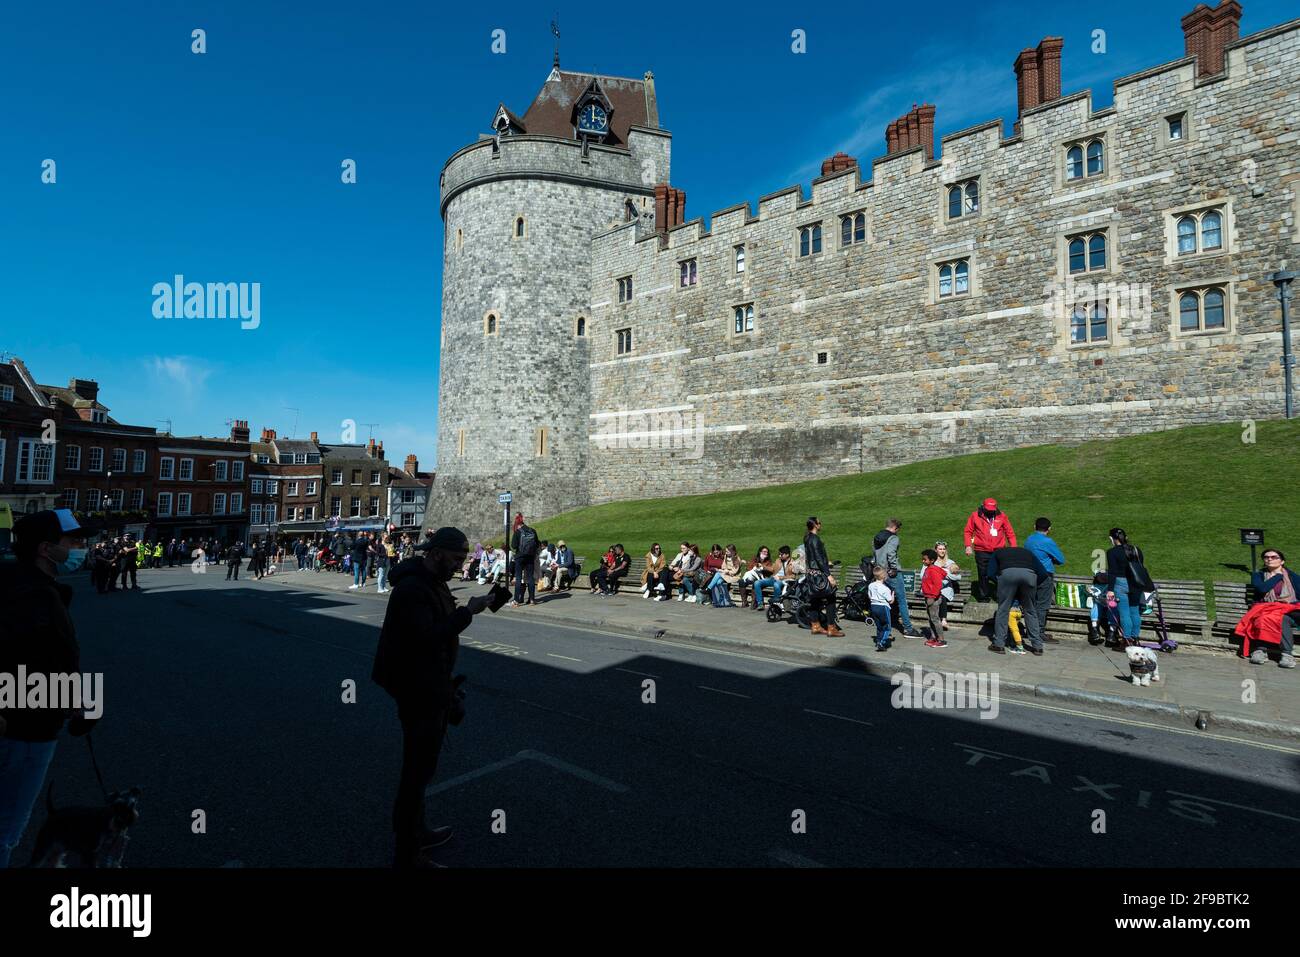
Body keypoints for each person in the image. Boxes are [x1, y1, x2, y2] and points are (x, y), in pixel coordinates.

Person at [372, 526, 494, 868]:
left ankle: (418, 831)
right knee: (415, 774)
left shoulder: (432, 581)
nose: (460, 565)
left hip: (429, 683)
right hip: (416, 689)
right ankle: (408, 854)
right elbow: (427, 638)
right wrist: (467, 612)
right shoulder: (412, 589)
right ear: (436, 553)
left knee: (422, 771)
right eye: (456, 558)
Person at [0, 509, 98, 869]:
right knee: (6, 829)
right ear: (46, 548)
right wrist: (85, 702)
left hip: (24, 721)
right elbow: (38, 665)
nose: (80, 547)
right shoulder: (33, 596)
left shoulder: (19, 584)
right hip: (26, 730)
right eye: (72, 542)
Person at [1241, 549, 1300, 668]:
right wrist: (1278, 576)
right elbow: (1262, 589)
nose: (1269, 559)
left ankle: (1287, 655)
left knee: (1282, 618)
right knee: (1264, 617)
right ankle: (1260, 650)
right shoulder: (1258, 575)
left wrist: (1288, 602)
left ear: (1282, 561)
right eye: (1266, 557)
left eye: (1274, 557)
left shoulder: (1293, 577)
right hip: (1265, 609)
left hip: (1289, 611)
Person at [986, 545, 1043, 655]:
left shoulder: (997, 552)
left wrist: (1000, 584)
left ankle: (999, 644)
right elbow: (1042, 573)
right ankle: (1037, 646)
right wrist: (1033, 585)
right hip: (1029, 576)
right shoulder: (1028, 552)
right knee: (1030, 611)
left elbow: (990, 573)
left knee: (1003, 610)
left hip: (1008, 575)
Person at [872, 518, 922, 638]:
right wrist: (893, 568)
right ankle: (908, 629)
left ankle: (885, 627)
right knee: (901, 600)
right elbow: (891, 554)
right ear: (895, 528)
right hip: (891, 572)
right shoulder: (893, 538)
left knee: (883, 599)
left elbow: (874, 553)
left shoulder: (876, 536)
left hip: (880, 572)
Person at [964, 498, 1016, 602]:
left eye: (992, 509)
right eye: (988, 509)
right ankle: (984, 596)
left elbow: (1009, 532)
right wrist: (968, 545)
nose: (990, 511)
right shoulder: (975, 516)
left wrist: (1013, 548)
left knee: (999, 573)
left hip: (999, 550)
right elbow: (968, 531)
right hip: (981, 550)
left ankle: (999, 594)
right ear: (983, 507)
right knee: (983, 574)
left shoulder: (1002, 516)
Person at [1104, 528, 1151, 644]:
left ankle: (1126, 640)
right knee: (1134, 611)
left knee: (1124, 613)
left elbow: (1112, 572)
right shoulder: (1136, 550)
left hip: (1121, 583)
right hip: (1136, 583)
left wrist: (1110, 590)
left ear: (1112, 538)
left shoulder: (1112, 552)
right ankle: (1135, 638)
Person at [1024, 517, 1065, 645]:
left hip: (1030, 574)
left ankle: (1031, 630)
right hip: (1045, 574)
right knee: (1042, 605)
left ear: (1034, 526)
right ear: (1049, 529)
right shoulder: (1048, 541)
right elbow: (1061, 559)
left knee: (1032, 603)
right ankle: (1039, 632)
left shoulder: (1029, 540)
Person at [803, 517, 844, 637]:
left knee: (815, 600)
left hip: (811, 574)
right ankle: (831, 627)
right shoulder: (815, 539)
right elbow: (819, 558)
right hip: (819, 575)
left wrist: (827, 562)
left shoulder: (807, 538)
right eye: (819, 522)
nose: (821, 524)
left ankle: (815, 625)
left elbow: (813, 557)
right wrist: (829, 575)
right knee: (831, 598)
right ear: (815, 525)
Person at [919, 549, 948, 647]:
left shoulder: (933, 570)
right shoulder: (929, 569)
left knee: (935, 619)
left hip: (933, 598)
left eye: (925, 559)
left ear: (931, 560)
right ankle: (934, 637)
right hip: (929, 597)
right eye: (922, 559)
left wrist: (932, 597)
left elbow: (938, 585)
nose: (923, 561)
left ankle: (941, 640)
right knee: (931, 618)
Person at [510, 515, 539, 606]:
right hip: (530, 557)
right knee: (530, 578)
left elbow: (514, 545)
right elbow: (537, 543)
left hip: (520, 557)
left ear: (518, 525)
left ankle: (516, 601)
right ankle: (532, 600)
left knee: (518, 578)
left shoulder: (518, 532)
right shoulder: (532, 531)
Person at [932, 541, 962, 631]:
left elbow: (958, 577)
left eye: (944, 549)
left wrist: (946, 573)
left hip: (946, 589)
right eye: (940, 549)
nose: (942, 551)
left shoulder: (950, 562)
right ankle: (938, 621)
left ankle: (944, 620)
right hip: (934, 587)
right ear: (936, 550)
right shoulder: (932, 561)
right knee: (937, 594)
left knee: (942, 595)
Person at [867, 566, 895, 652]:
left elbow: (869, 596)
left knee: (879, 626)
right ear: (884, 576)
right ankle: (881, 642)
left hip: (873, 606)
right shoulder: (885, 588)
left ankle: (878, 640)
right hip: (883, 607)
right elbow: (890, 601)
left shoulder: (871, 585)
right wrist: (892, 593)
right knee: (887, 627)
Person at [749, 547, 782, 611]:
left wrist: (763, 566)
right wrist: (757, 565)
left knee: (776, 585)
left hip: (768, 578)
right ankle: (759, 603)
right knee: (755, 582)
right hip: (753, 577)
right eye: (764, 552)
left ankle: (775, 605)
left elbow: (771, 570)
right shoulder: (755, 558)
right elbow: (749, 567)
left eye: (767, 552)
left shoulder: (768, 560)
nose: (766, 553)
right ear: (760, 552)